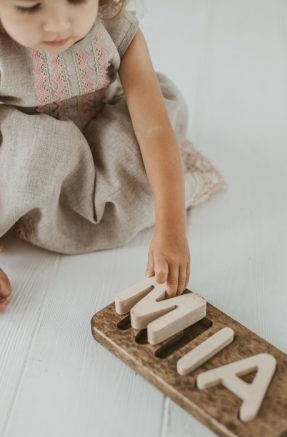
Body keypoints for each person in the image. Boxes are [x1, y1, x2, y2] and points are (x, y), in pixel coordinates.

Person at [0, 0, 226, 312]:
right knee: (31, 153)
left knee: (145, 153)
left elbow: (154, 131)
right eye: (29, 6)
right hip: (31, 153)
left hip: (101, 135)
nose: (58, 24)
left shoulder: (116, 29)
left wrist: (172, 231)